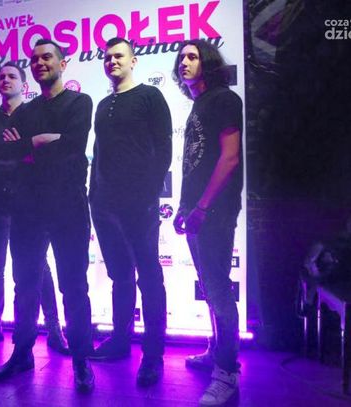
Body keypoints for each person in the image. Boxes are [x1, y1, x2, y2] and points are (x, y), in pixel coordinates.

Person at [0, 39, 95, 392]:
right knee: (24, 286)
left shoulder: (80, 102)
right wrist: (37, 142)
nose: (39, 63)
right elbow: (5, 150)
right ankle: (22, 354)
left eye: (47, 57)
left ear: (62, 64)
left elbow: (73, 147)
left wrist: (27, 147)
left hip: (68, 208)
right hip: (28, 209)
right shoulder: (26, 110)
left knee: (74, 287)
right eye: (34, 59)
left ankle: (81, 361)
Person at [0, 62, 68, 354]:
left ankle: (54, 328)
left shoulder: (35, 114)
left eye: (12, 76)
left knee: (39, 265)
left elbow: (45, 156)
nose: (5, 80)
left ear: (23, 85)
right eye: (1, 76)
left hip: (29, 203)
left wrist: (20, 148)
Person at [88, 37, 172, 387]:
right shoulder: (103, 104)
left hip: (139, 203)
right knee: (119, 275)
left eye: (119, 56)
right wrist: (94, 195)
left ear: (133, 60)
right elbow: (100, 152)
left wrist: (149, 194)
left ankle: (153, 355)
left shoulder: (150, 96)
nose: (112, 61)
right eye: (107, 57)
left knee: (149, 276)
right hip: (104, 204)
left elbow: (164, 149)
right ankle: (120, 342)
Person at [172, 39, 243, 406]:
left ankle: (227, 373)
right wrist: (184, 208)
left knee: (218, 290)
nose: (184, 62)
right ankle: (216, 352)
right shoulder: (199, 103)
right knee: (210, 288)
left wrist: (201, 207)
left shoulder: (224, 99)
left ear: (208, 62)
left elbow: (229, 158)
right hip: (197, 210)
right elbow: (195, 163)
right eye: (181, 57)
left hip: (214, 211)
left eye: (192, 56)